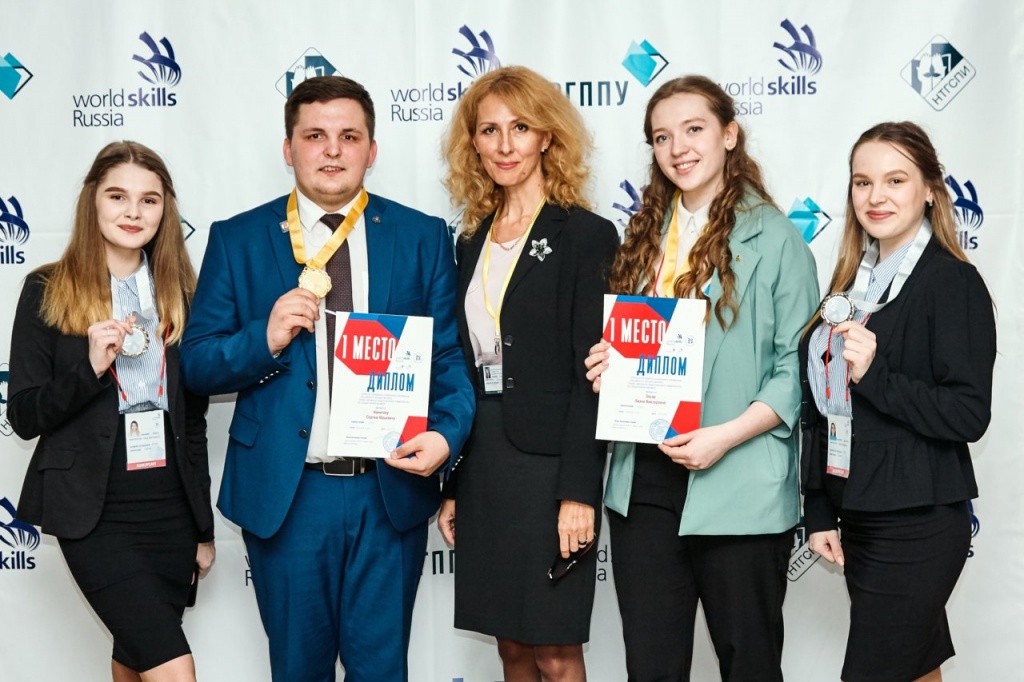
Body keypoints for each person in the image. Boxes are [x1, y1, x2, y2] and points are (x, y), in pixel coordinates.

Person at [179, 75, 475, 682]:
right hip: (289, 496)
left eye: (349, 136)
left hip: (388, 489)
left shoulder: (421, 237)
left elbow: (448, 359)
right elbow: (198, 364)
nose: (333, 150)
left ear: (372, 149)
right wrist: (263, 337)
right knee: (297, 670)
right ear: (288, 149)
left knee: (381, 670)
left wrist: (446, 437)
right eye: (315, 136)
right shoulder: (237, 239)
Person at [584, 75, 819, 681]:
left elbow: (796, 368)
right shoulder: (643, 235)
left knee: (750, 665)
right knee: (652, 668)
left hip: (736, 477)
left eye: (694, 129)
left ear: (729, 135)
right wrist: (610, 363)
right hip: (645, 484)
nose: (678, 148)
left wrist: (724, 436)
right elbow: (635, 343)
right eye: (662, 137)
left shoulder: (778, 239)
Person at [7, 141, 215, 682]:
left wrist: (203, 526)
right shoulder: (47, 290)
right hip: (94, 510)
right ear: (93, 202)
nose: (133, 212)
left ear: (165, 210)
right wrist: (89, 369)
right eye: (118, 196)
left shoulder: (182, 292)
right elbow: (24, 415)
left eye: (149, 200)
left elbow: (192, 423)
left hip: (169, 506)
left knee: (135, 658)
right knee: (173, 668)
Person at [437, 66, 619, 681]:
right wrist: (454, 483)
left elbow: (592, 377)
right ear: (473, 142)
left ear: (547, 136)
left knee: (556, 652)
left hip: (550, 468)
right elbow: (462, 369)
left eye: (520, 127)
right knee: (511, 645)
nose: (504, 145)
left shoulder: (587, 235)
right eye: (489, 130)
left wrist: (579, 492)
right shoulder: (469, 241)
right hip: (484, 460)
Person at [800, 122, 996, 682]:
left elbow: (968, 414)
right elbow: (822, 408)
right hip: (860, 515)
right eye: (863, 182)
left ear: (929, 189)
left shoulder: (951, 281)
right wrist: (820, 507)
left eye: (895, 180)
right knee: (916, 668)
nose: (876, 196)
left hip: (918, 521)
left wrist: (876, 374)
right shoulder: (852, 286)